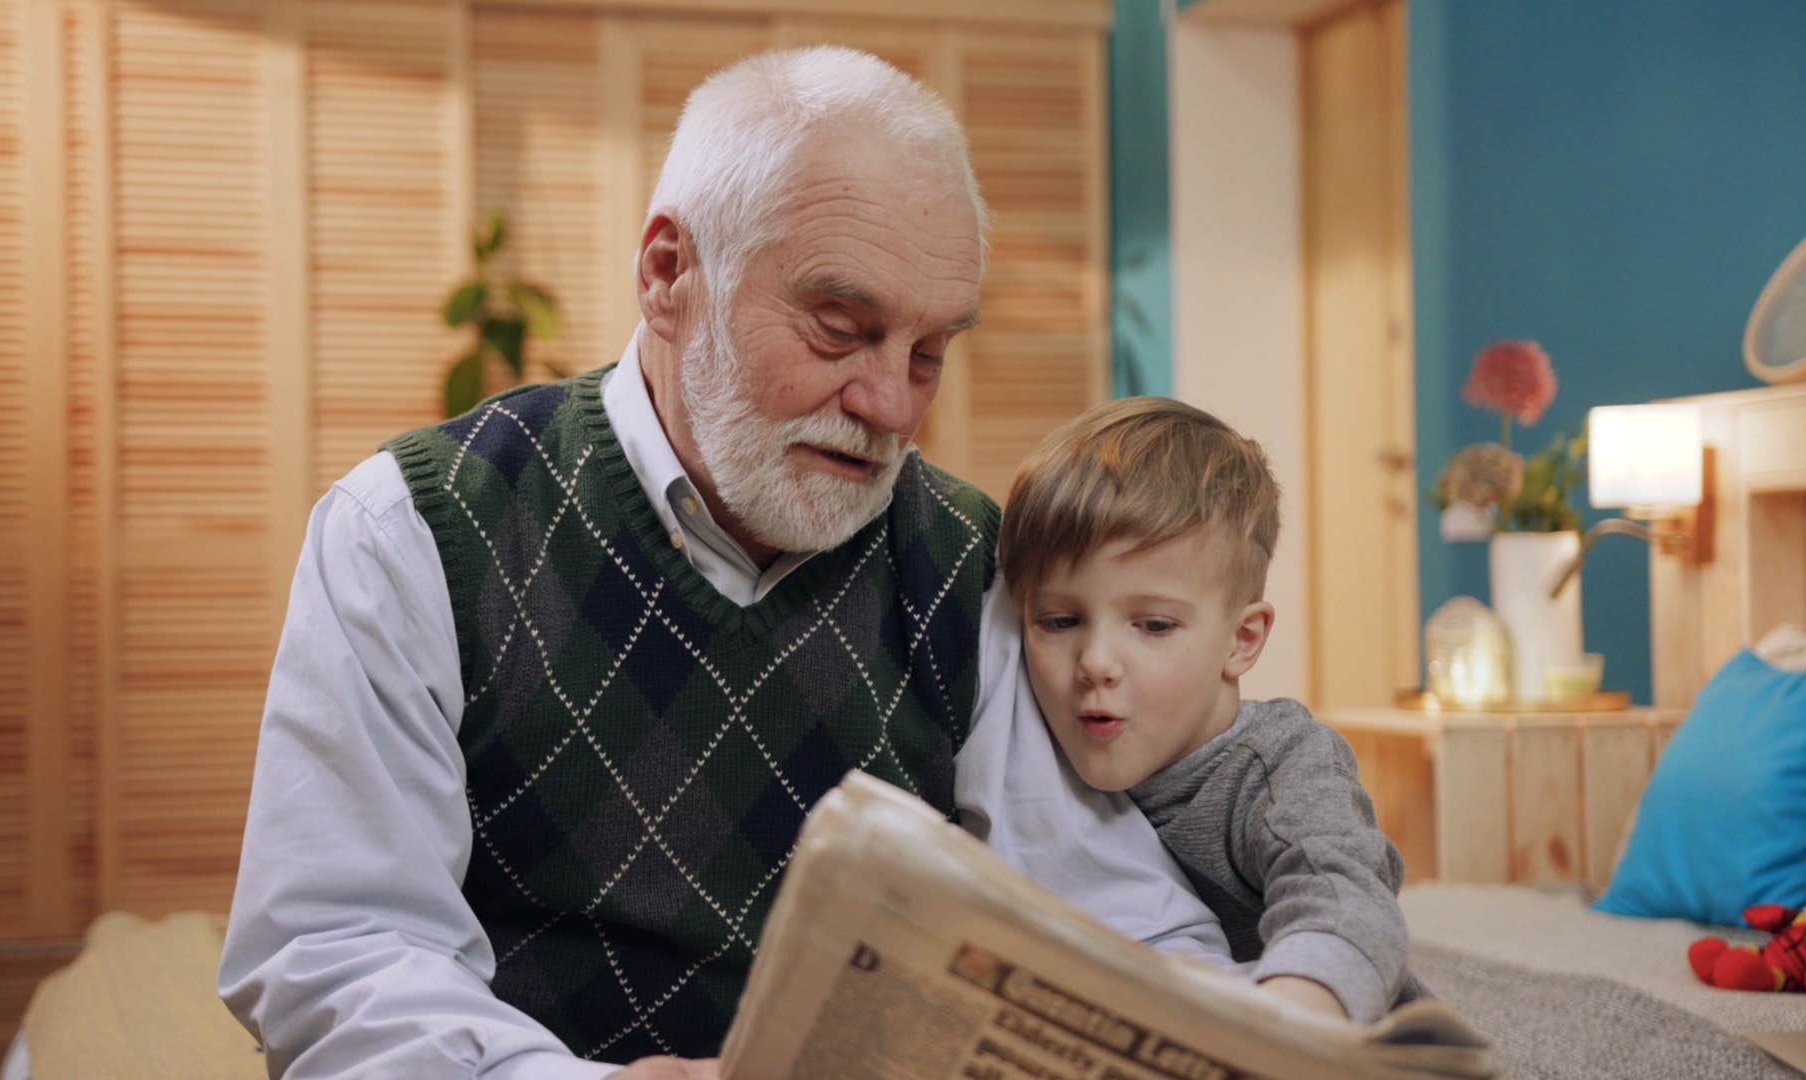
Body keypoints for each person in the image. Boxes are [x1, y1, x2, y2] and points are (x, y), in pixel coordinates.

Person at [218, 48, 1232, 1079]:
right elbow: (336, 953)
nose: (892, 404)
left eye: (929, 353)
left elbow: (1123, 922)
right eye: (842, 330)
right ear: (668, 274)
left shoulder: (969, 563)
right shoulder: (411, 532)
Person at [998, 396, 1425, 1027]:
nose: (1096, 661)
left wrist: (1296, 1016)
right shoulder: (1029, 737)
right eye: (1059, 621)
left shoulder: (1280, 764)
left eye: (1153, 625)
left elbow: (1345, 896)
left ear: (1241, 640)